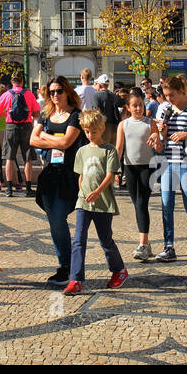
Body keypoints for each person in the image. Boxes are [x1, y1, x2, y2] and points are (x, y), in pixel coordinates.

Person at [64, 108, 126, 295]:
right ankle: (75, 279)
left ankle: (119, 270)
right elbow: (81, 176)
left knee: (106, 240)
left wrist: (98, 191)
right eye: (87, 131)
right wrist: (82, 192)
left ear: (102, 128)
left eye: (94, 131)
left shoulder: (109, 151)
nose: (90, 134)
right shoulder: (82, 151)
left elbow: (110, 175)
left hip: (103, 202)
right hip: (84, 202)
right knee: (78, 240)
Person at [30, 75, 85, 285]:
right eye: (51, 92)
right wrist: (53, 140)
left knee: (59, 220)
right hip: (50, 174)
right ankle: (66, 266)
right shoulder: (47, 114)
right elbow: (32, 139)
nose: (54, 95)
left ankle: (69, 266)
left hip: (69, 175)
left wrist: (46, 138)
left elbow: (66, 142)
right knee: (54, 222)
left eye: (58, 91)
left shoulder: (75, 115)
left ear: (67, 91)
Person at [154, 76, 187, 261]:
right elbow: (163, 139)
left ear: (181, 92)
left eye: (171, 95)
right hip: (168, 162)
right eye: (166, 95)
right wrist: (161, 131)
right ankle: (169, 247)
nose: (168, 99)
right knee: (166, 205)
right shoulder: (167, 111)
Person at [116, 88, 161, 261]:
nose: (138, 109)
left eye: (140, 105)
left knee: (142, 202)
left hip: (147, 168)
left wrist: (157, 137)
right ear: (128, 107)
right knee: (137, 204)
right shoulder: (123, 124)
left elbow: (159, 149)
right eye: (134, 106)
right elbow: (119, 148)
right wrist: (115, 169)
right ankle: (147, 244)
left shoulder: (150, 123)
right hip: (130, 168)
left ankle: (143, 243)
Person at [0, 69, 39, 198]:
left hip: (11, 126)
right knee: (28, 158)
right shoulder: (29, 94)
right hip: (26, 127)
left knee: (9, 157)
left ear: (12, 82)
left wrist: (7, 114)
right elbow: (36, 114)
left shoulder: (7, 94)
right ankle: (28, 188)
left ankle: (9, 189)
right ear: (22, 81)